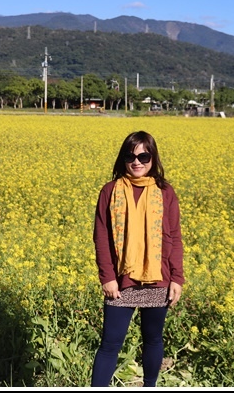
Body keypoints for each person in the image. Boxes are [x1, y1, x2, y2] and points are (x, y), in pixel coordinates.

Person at [91, 131, 184, 387]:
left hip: (158, 280)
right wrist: (108, 278)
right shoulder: (110, 191)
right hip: (121, 282)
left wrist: (177, 278)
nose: (137, 162)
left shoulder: (166, 192)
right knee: (110, 344)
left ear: (153, 158)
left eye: (144, 155)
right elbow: (101, 238)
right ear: (123, 158)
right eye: (130, 156)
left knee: (153, 340)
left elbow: (174, 237)